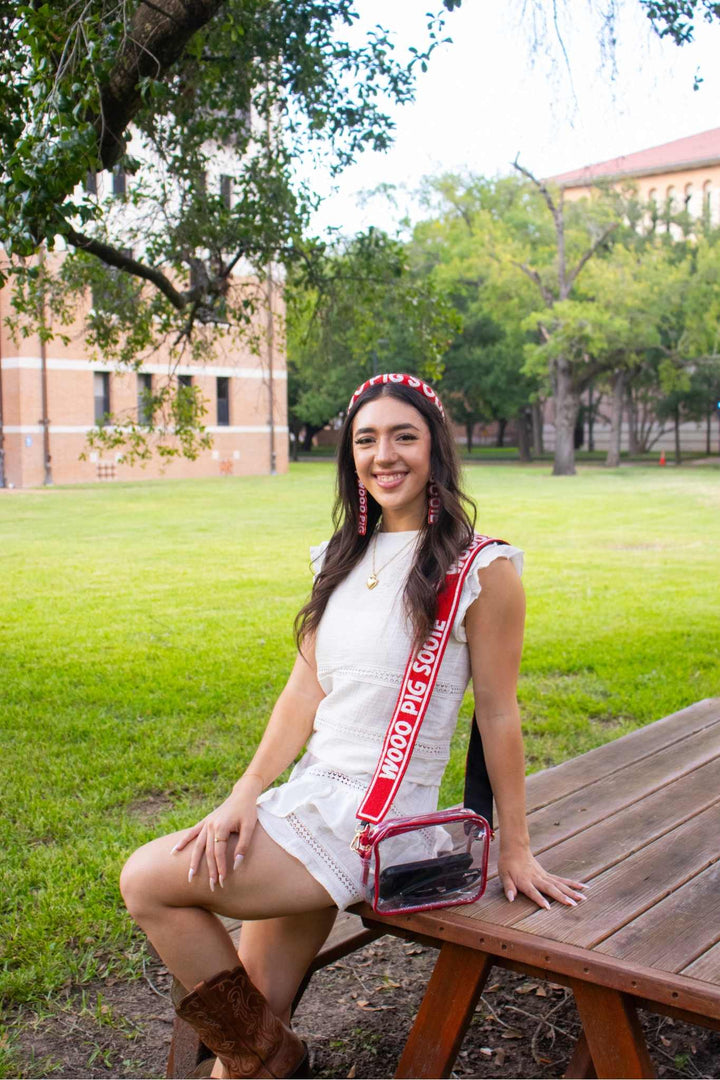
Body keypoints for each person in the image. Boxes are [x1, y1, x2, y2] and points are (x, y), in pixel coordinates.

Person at [119, 373, 586, 1080]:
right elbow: (303, 688)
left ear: (435, 448)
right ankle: (274, 1062)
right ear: (350, 455)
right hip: (310, 796)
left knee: (148, 879)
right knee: (246, 1039)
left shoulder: (479, 569)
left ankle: (288, 1062)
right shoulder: (340, 556)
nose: (384, 454)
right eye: (366, 439)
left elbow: (498, 712)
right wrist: (246, 790)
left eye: (404, 436)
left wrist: (515, 850)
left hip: (379, 817)